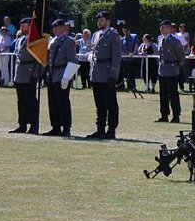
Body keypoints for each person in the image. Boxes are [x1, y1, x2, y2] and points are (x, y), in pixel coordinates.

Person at [86, 11, 121, 139]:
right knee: (99, 104)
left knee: (110, 103)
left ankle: (111, 129)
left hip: (107, 73)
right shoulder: (96, 34)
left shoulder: (113, 35)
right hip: (96, 72)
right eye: (98, 20)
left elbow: (116, 57)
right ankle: (100, 129)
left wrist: (113, 75)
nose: (99, 22)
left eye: (102, 20)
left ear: (107, 21)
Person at [43, 19, 78, 137]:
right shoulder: (52, 41)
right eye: (53, 27)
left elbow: (73, 60)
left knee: (63, 102)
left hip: (62, 72)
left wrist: (67, 77)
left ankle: (66, 127)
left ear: (63, 28)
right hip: (52, 73)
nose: (54, 29)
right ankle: (55, 126)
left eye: (57, 27)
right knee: (52, 102)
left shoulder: (68, 41)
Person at [9, 17, 40, 135]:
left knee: (30, 100)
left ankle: (33, 124)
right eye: (21, 26)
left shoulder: (34, 39)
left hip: (29, 71)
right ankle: (22, 124)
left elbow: (38, 59)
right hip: (20, 72)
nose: (22, 28)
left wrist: (36, 74)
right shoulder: (20, 39)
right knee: (21, 101)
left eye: (24, 26)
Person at [155, 19, 186, 123]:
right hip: (162, 69)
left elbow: (181, 56)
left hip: (172, 69)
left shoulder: (174, 41)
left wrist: (178, 66)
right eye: (161, 28)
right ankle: (164, 115)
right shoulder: (160, 39)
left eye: (163, 27)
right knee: (163, 94)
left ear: (169, 28)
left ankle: (176, 115)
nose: (161, 30)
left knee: (173, 94)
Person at [120, 26, 139, 91]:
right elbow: (121, 50)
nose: (125, 32)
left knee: (131, 73)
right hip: (125, 59)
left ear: (129, 30)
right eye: (124, 30)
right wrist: (126, 54)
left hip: (132, 58)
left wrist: (133, 53)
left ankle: (132, 86)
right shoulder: (122, 39)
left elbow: (136, 46)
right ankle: (127, 87)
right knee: (126, 73)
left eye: (126, 30)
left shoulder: (134, 36)